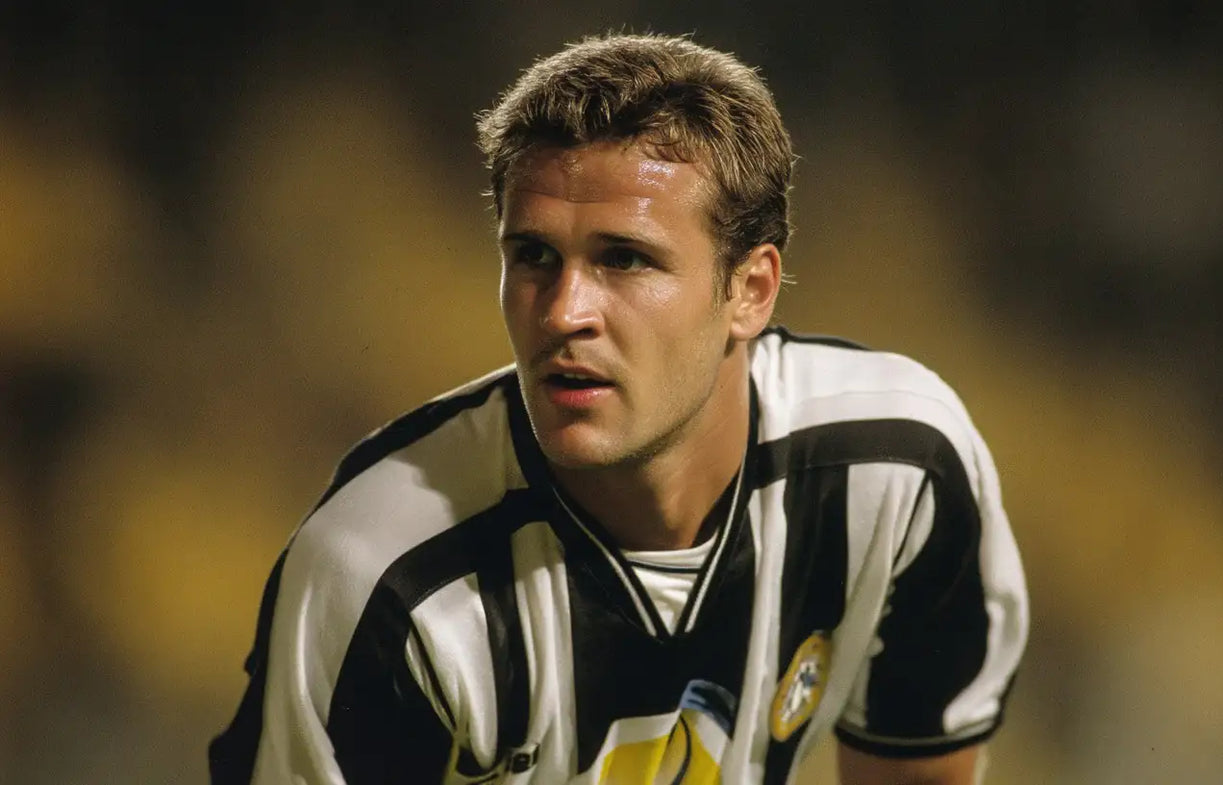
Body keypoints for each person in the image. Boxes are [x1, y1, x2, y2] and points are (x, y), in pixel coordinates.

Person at [210, 33, 1028, 785]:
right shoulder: (384, 582)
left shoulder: (899, 471)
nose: (564, 311)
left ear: (750, 290)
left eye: (625, 258)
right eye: (533, 255)